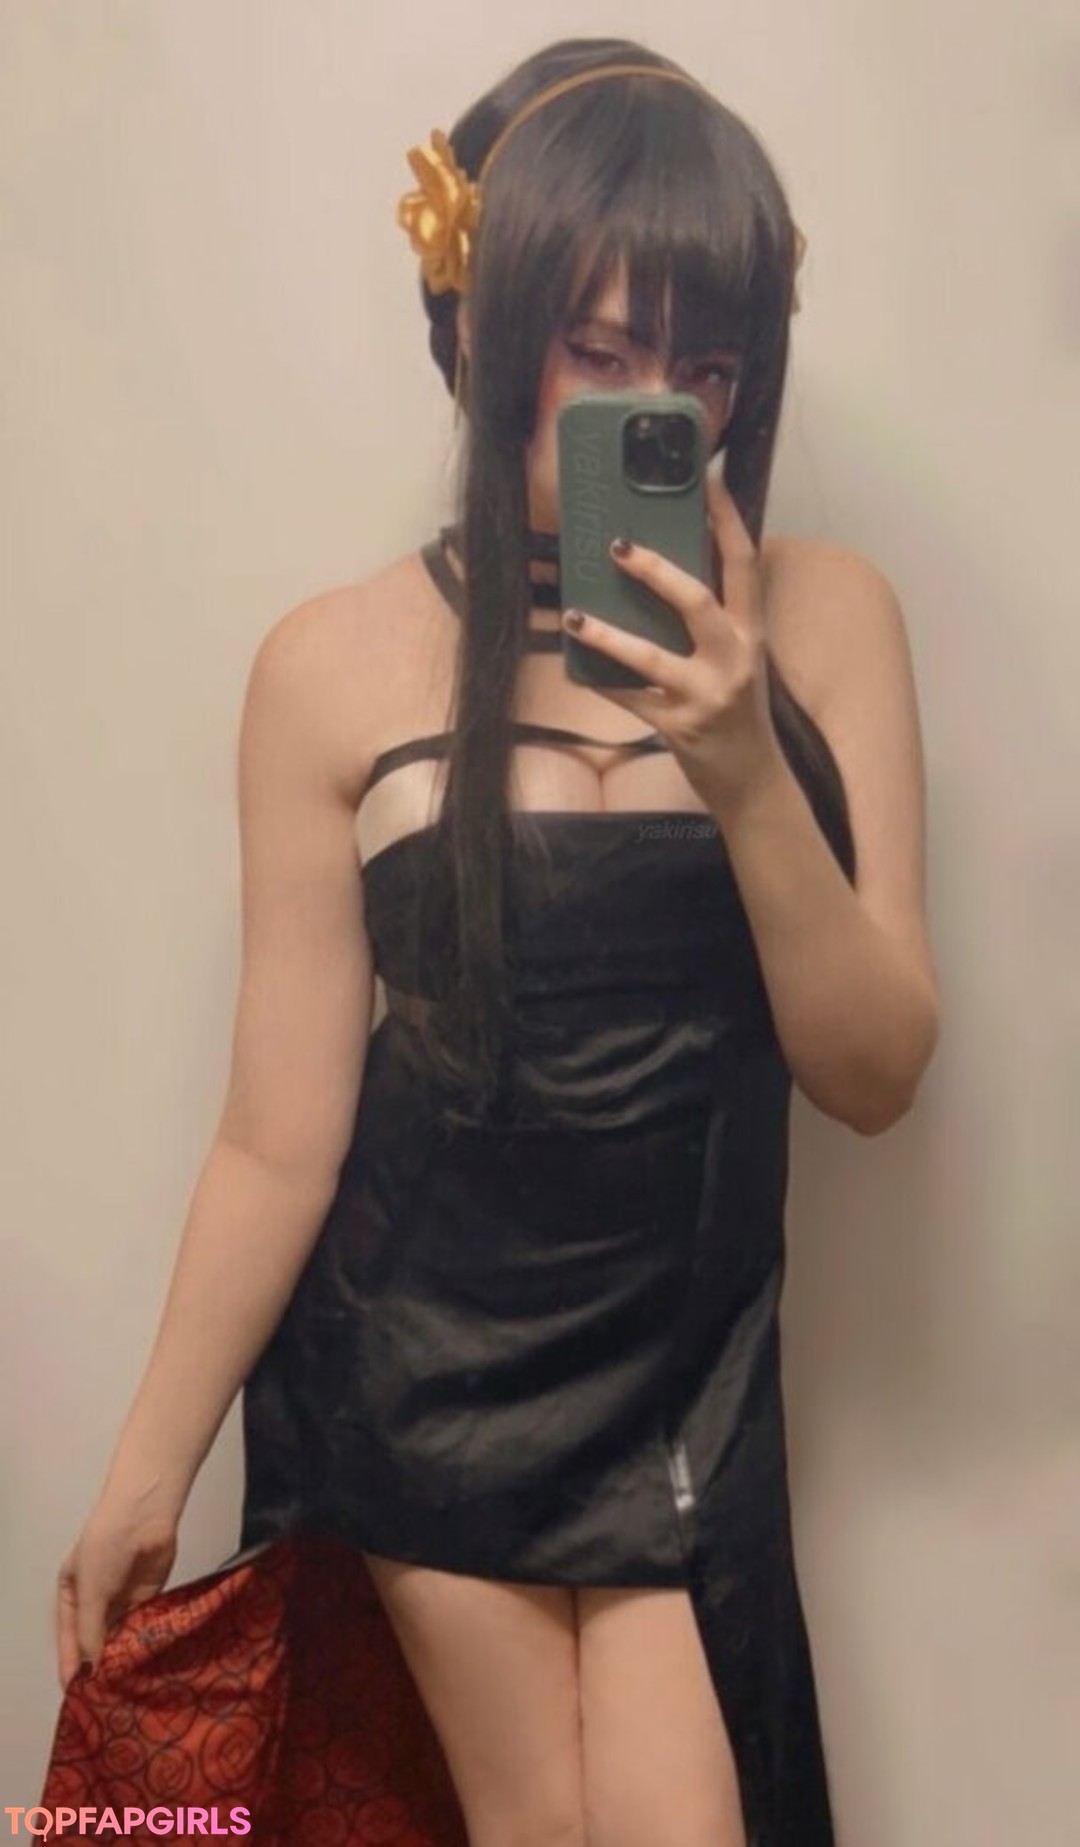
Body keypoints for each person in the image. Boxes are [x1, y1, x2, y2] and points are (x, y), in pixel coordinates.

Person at [41, 34, 940, 1847]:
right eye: (598, 352)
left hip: (682, 1389)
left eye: (704, 366)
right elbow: (278, 1135)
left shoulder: (827, 625)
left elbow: (874, 1071)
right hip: (418, 1375)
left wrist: (744, 763)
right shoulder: (332, 667)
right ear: (477, 325)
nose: (652, 407)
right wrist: (150, 1460)